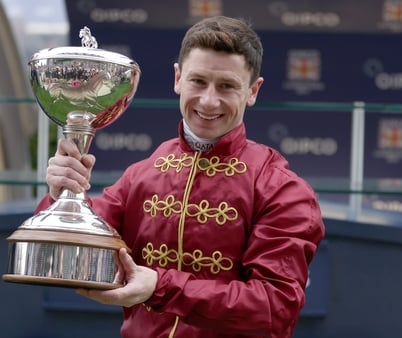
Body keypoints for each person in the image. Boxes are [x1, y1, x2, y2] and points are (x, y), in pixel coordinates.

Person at [37, 15, 325, 338]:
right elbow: (65, 256)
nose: (209, 100)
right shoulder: (141, 175)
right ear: (177, 78)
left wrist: (160, 286)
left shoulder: (281, 188)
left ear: (253, 91)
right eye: (198, 81)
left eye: (227, 86)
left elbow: (275, 310)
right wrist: (61, 196)